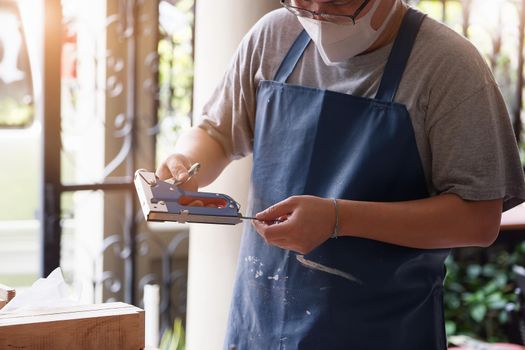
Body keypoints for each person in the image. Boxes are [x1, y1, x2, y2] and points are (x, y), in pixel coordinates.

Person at [156, 0, 525, 348]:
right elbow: (217, 133)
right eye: (303, 2)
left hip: (384, 332)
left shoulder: (448, 66)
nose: (316, 15)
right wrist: (185, 162)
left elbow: (478, 219)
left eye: (337, 4)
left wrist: (338, 218)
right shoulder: (274, 35)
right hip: (260, 327)